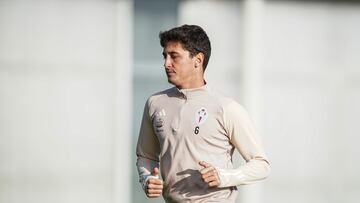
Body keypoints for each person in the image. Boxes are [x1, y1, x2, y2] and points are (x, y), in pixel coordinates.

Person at [136, 24, 270, 203]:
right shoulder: (155, 103)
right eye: (165, 56)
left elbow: (261, 164)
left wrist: (224, 176)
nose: (166, 63)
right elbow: (146, 156)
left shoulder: (226, 108)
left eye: (174, 56)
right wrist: (147, 179)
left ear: (197, 60)